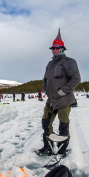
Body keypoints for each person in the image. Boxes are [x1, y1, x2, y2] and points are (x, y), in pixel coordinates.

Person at [36, 28, 81, 157]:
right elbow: (45, 78)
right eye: (53, 48)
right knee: (46, 123)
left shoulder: (69, 62)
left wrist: (62, 91)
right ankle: (48, 148)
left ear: (62, 49)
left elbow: (76, 79)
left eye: (57, 48)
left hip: (64, 100)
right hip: (51, 100)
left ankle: (62, 150)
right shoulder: (50, 64)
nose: (54, 50)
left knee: (63, 125)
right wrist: (45, 89)